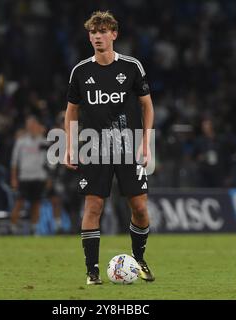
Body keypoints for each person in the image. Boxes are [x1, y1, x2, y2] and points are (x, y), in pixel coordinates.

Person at [64, 11, 155, 284]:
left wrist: (147, 142)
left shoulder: (131, 67)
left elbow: (147, 105)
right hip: (94, 147)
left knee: (139, 207)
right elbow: (71, 111)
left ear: (114, 34)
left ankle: (138, 259)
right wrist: (69, 145)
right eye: (93, 33)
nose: (97, 37)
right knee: (93, 207)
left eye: (103, 32)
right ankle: (92, 272)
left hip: (128, 146)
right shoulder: (80, 71)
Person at [9, 116, 48, 235]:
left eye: (33, 125)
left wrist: (48, 178)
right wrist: (14, 178)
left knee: (36, 204)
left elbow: (49, 162)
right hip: (24, 178)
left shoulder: (44, 142)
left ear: (37, 126)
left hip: (39, 177)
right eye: (29, 125)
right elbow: (14, 162)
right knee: (19, 202)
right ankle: (13, 228)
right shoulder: (21, 142)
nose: (31, 128)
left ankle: (34, 228)